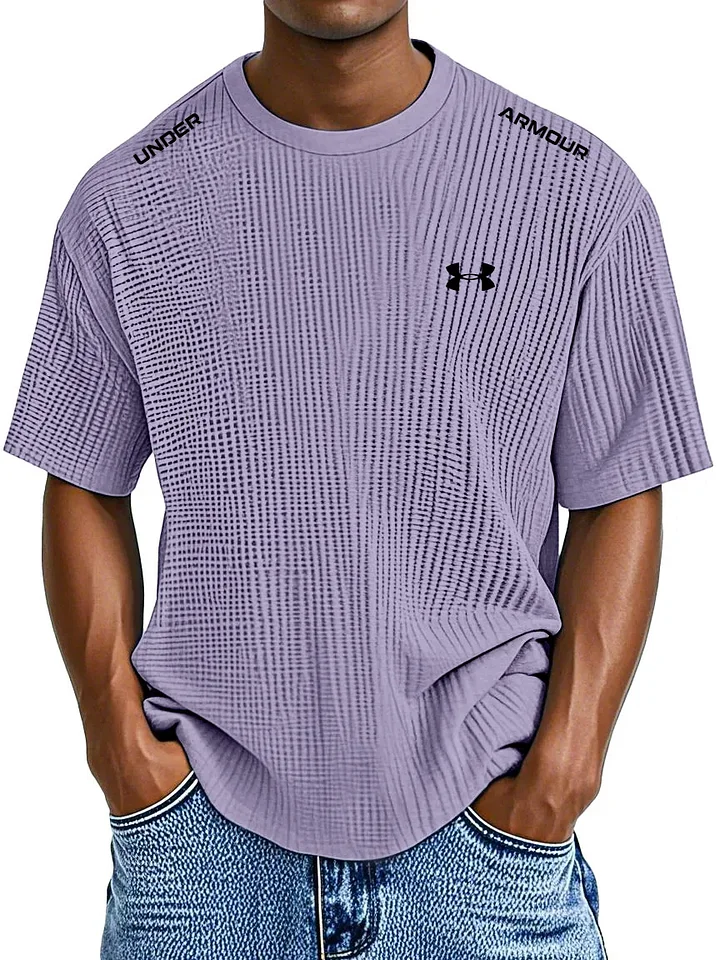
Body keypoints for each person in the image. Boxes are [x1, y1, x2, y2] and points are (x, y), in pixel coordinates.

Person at [3, 2, 712, 958]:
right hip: (200, 863)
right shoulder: (127, 200)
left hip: (488, 855)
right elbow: (84, 477)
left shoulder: (576, 189)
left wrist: (567, 765)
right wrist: (118, 750)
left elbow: (619, 482)